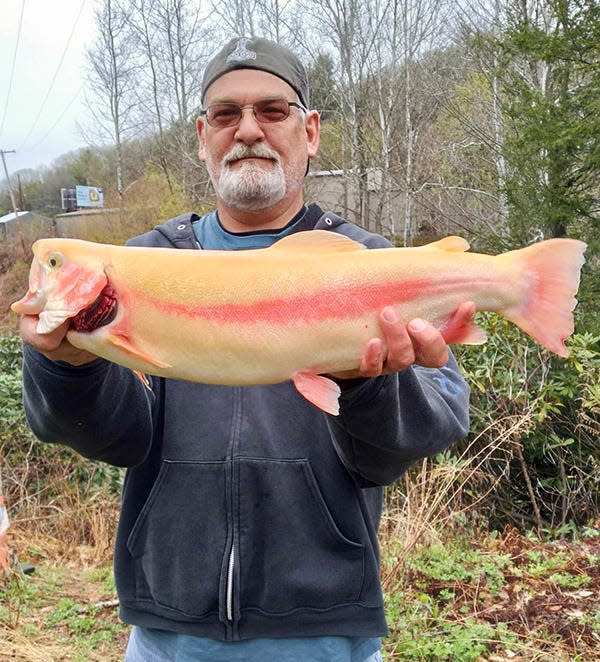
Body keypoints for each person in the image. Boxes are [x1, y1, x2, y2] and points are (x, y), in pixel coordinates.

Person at [18, 37, 472, 662]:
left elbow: (426, 431)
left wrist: (367, 382)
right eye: (227, 115)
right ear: (203, 135)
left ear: (310, 132)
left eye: (272, 111)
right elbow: (115, 440)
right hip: (169, 635)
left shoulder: (372, 262)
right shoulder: (146, 261)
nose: (248, 131)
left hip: (326, 633)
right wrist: (67, 364)